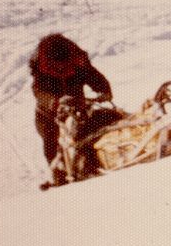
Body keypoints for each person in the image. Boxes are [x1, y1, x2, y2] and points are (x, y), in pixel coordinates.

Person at [30, 33, 117, 187]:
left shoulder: (78, 64)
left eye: (65, 64)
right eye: (58, 65)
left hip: (77, 109)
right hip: (49, 116)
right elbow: (39, 92)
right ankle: (60, 177)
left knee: (87, 136)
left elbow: (94, 77)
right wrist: (53, 102)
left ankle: (90, 169)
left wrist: (104, 90)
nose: (62, 68)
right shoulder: (41, 71)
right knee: (53, 145)